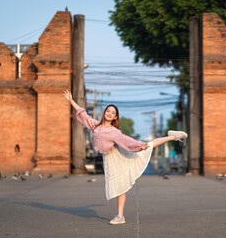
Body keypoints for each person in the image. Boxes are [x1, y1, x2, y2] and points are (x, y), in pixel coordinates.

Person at [63, 89, 188, 225]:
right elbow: (84, 115)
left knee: (148, 147)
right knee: (119, 186)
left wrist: (140, 145)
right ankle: (120, 216)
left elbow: (127, 140)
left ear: (115, 117)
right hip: (109, 159)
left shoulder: (114, 132)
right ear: (105, 112)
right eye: (108, 111)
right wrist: (71, 101)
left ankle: (173, 136)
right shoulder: (96, 126)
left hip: (118, 157)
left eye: (113, 113)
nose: (110, 114)